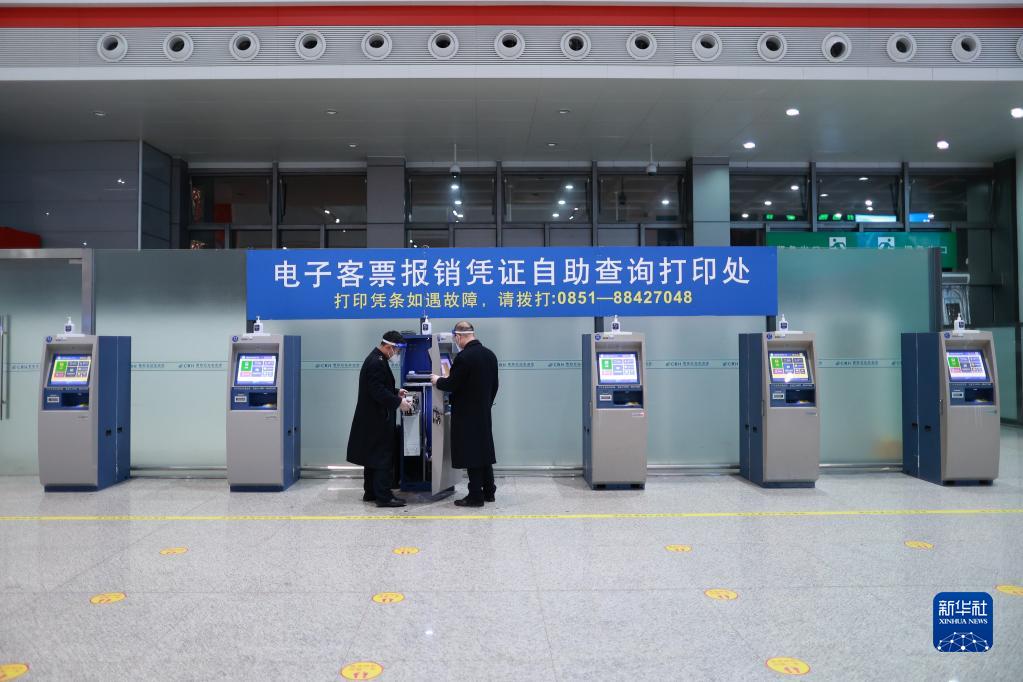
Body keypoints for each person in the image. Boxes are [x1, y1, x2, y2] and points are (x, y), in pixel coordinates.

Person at [431, 321, 499, 507]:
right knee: (484, 451)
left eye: (456, 338)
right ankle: (489, 491)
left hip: (466, 414)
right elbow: (495, 385)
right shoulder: (490, 355)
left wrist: (437, 380)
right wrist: (485, 404)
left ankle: (475, 496)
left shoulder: (464, 357)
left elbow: (452, 384)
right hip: (483, 411)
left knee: (472, 454)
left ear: (459, 336)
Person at [347, 331, 414, 508]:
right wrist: (399, 402)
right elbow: (377, 391)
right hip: (377, 419)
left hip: (372, 417)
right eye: (397, 350)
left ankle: (371, 492)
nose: (397, 354)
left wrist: (396, 392)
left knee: (372, 457)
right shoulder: (376, 362)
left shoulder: (377, 359)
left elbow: (379, 386)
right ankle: (384, 497)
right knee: (382, 457)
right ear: (389, 347)